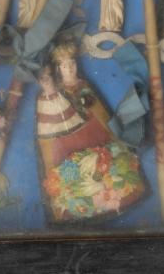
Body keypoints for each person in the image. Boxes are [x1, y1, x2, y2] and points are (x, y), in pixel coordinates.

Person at [35, 43, 146, 223]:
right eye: (64, 65)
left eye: (72, 63)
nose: (69, 68)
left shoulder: (84, 84)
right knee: (78, 173)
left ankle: (114, 196)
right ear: (58, 69)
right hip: (68, 142)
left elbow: (100, 113)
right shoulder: (56, 92)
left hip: (95, 133)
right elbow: (51, 125)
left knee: (107, 165)